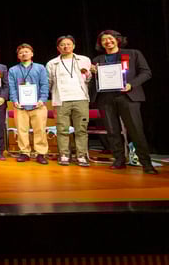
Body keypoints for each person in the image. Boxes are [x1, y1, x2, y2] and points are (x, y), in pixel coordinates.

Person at [90, 30, 157, 174]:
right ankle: (119, 160)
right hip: (105, 98)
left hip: (128, 96)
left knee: (135, 130)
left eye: (110, 38)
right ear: (100, 43)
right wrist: (92, 73)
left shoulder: (133, 54)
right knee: (112, 131)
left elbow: (146, 73)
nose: (108, 41)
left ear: (118, 39)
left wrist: (131, 84)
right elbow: (94, 81)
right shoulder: (97, 60)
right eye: (104, 40)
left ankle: (146, 163)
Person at [46, 36, 92, 167]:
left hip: (81, 98)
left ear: (74, 46)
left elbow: (89, 79)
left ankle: (81, 155)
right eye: (62, 45)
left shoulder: (84, 60)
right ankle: (64, 154)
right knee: (62, 129)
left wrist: (88, 74)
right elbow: (49, 82)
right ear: (58, 48)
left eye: (68, 44)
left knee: (81, 129)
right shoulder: (52, 63)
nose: (65, 47)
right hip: (61, 100)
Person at [8, 43, 50, 164]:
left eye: (26, 52)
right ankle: (24, 152)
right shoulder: (13, 70)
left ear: (32, 54)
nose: (24, 54)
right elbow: (12, 87)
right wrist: (14, 101)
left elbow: (44, 84)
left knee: (40, 130)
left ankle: (40, 153)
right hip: (20, 106)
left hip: (38, 105)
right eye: (21, 53)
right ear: (18, 56)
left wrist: (42, 99)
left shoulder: (40, 68)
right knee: (21, 130)